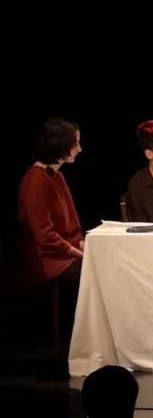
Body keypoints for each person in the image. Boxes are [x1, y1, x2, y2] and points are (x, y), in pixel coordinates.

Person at [17, 117, 84, 300]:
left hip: (64, 253)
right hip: (45, 261)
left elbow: (73, 225)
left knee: (106, 266)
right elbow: (44, 237)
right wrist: (80, 254)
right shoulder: (35, 181)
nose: (79, 149)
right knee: (90, 275)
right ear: (59, 144)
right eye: (75, 143)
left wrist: (84, 247)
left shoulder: (57, 176)